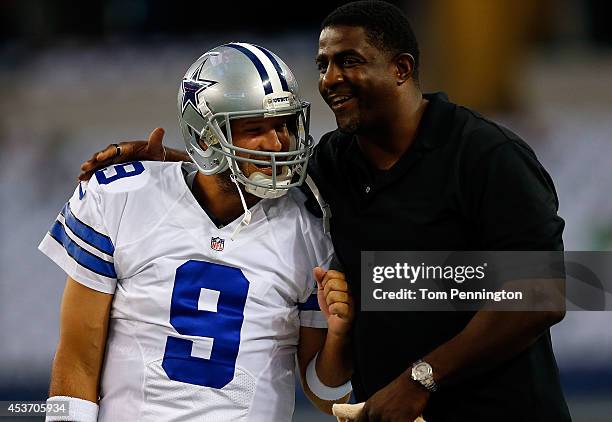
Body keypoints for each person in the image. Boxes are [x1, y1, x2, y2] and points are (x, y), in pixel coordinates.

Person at [79, 2, 571, 421]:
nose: (330, 79)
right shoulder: (335, 160)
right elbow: (258, 163)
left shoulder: (488, 155)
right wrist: (178, 158)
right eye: (323, 64)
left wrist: (421, 378)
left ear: (400, 69)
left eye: (349, 61)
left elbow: (545, 295)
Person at [40, 43, 355, 422]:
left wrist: (338, 334)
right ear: (205, 136)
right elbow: (77, 359)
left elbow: (326, 398)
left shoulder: (310, 230)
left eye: (284, 124)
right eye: (255, 129)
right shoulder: (120, 198)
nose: (277, 143)